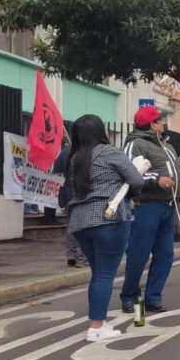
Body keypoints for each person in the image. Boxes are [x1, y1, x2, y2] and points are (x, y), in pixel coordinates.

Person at [65, 114, 145, 341]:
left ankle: (98, 323)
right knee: (105, 274)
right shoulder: (110, 152)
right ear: (101, 131)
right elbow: (136, 180)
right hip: (108, 217)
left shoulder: (74, 158)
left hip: (80, 221)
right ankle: (96, 327)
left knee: (98, 273)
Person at [120, 106, 180, 313]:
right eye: (161, 121)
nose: (165, 124)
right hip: (146, 207)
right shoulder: (135, 144)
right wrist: (155, 180)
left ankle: (153, 296)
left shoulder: (167, 147)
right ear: (152, 124)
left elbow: (175, 177)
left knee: (165, 255)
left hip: (168, 207)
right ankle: (129, 295)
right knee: (138, 254)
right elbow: (129, 173)